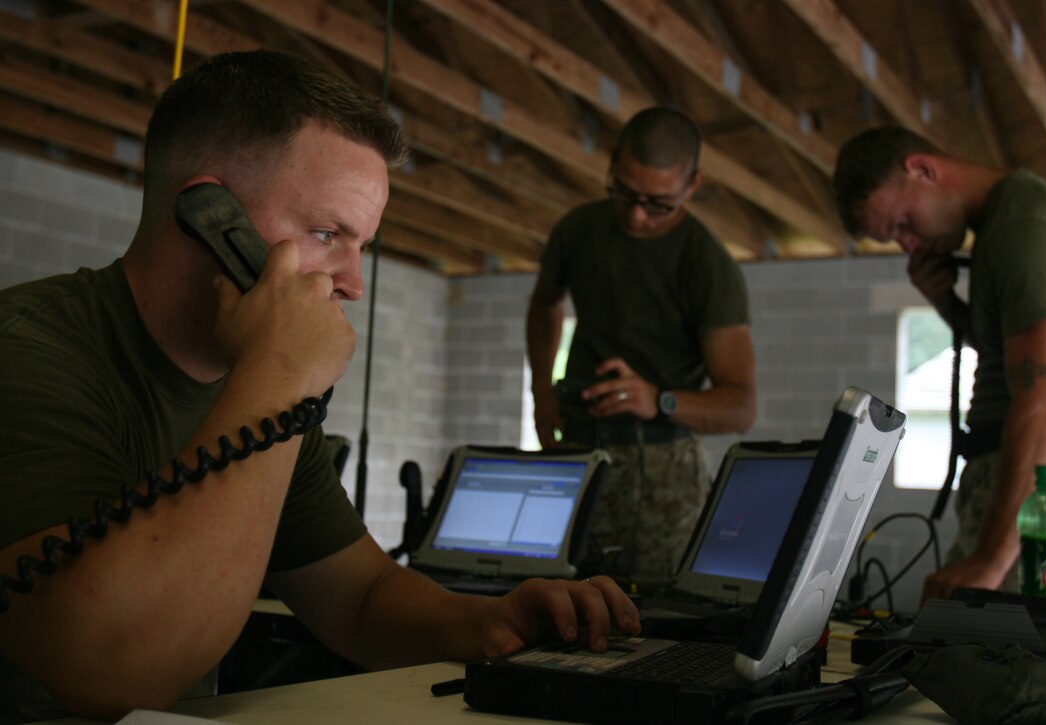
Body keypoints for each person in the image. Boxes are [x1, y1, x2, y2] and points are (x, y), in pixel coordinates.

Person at [0, 50, 640, 722]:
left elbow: (359, 598)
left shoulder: (262, 390)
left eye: (361, 246)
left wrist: (487, 621)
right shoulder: (30, 354)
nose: (354, 284)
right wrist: (277, 376)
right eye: (327, 232)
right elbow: (114, 674)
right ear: (208, 213)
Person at [833, 126, 1046, 608]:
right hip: (1025, 474)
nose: (910, 245)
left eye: (904, 223)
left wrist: (991, 560)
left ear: (923, 170)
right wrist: (944, 301)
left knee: (1015, 653)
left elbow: (1042, 402)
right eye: (896, 238)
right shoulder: (1003, 223)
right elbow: (1009, 356)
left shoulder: (1021, 226)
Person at [526, 108, 757, 585]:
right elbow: (544, 303)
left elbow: (741, 407)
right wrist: (542, 390)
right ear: (613, 161)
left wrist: (659, 400)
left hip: (664, 477)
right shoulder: (578, 229)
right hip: (577, 456)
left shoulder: (708, 266)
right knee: (559, 602)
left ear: (692, 184)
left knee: (654, 614)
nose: (636, 214)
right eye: (626, 193)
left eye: (658, 204)